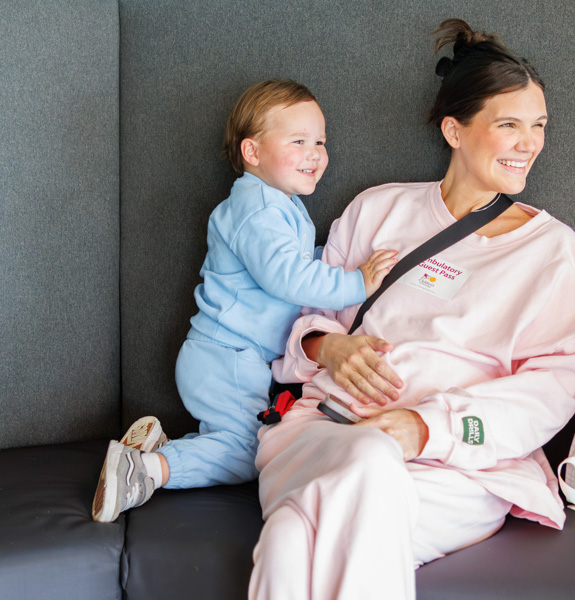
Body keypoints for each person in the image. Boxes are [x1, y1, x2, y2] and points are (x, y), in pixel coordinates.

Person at [247, 19, 575, 599]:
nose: (529, 142)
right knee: (363, 462)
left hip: (460, 470)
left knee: (292, 535)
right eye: (508, 124)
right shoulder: (377, 210)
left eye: (537, 126)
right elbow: (304, 320)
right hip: (325, 432)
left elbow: (554, 387)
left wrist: (422, 426)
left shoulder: (551, 251)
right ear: (454, 130)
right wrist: (328, 345)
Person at [91, 80, 397, 523]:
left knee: (243, 439)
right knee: (245, 451)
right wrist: (356, 283)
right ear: (253, 153)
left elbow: (290, 262)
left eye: (320, 141)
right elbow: (286, 276)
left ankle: (159, 448)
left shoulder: (277, 204)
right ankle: (145, 469)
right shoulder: (256, 209)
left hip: (230, 357)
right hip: (226, 358)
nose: (315, 153)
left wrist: (336, 259)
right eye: (298, 141)